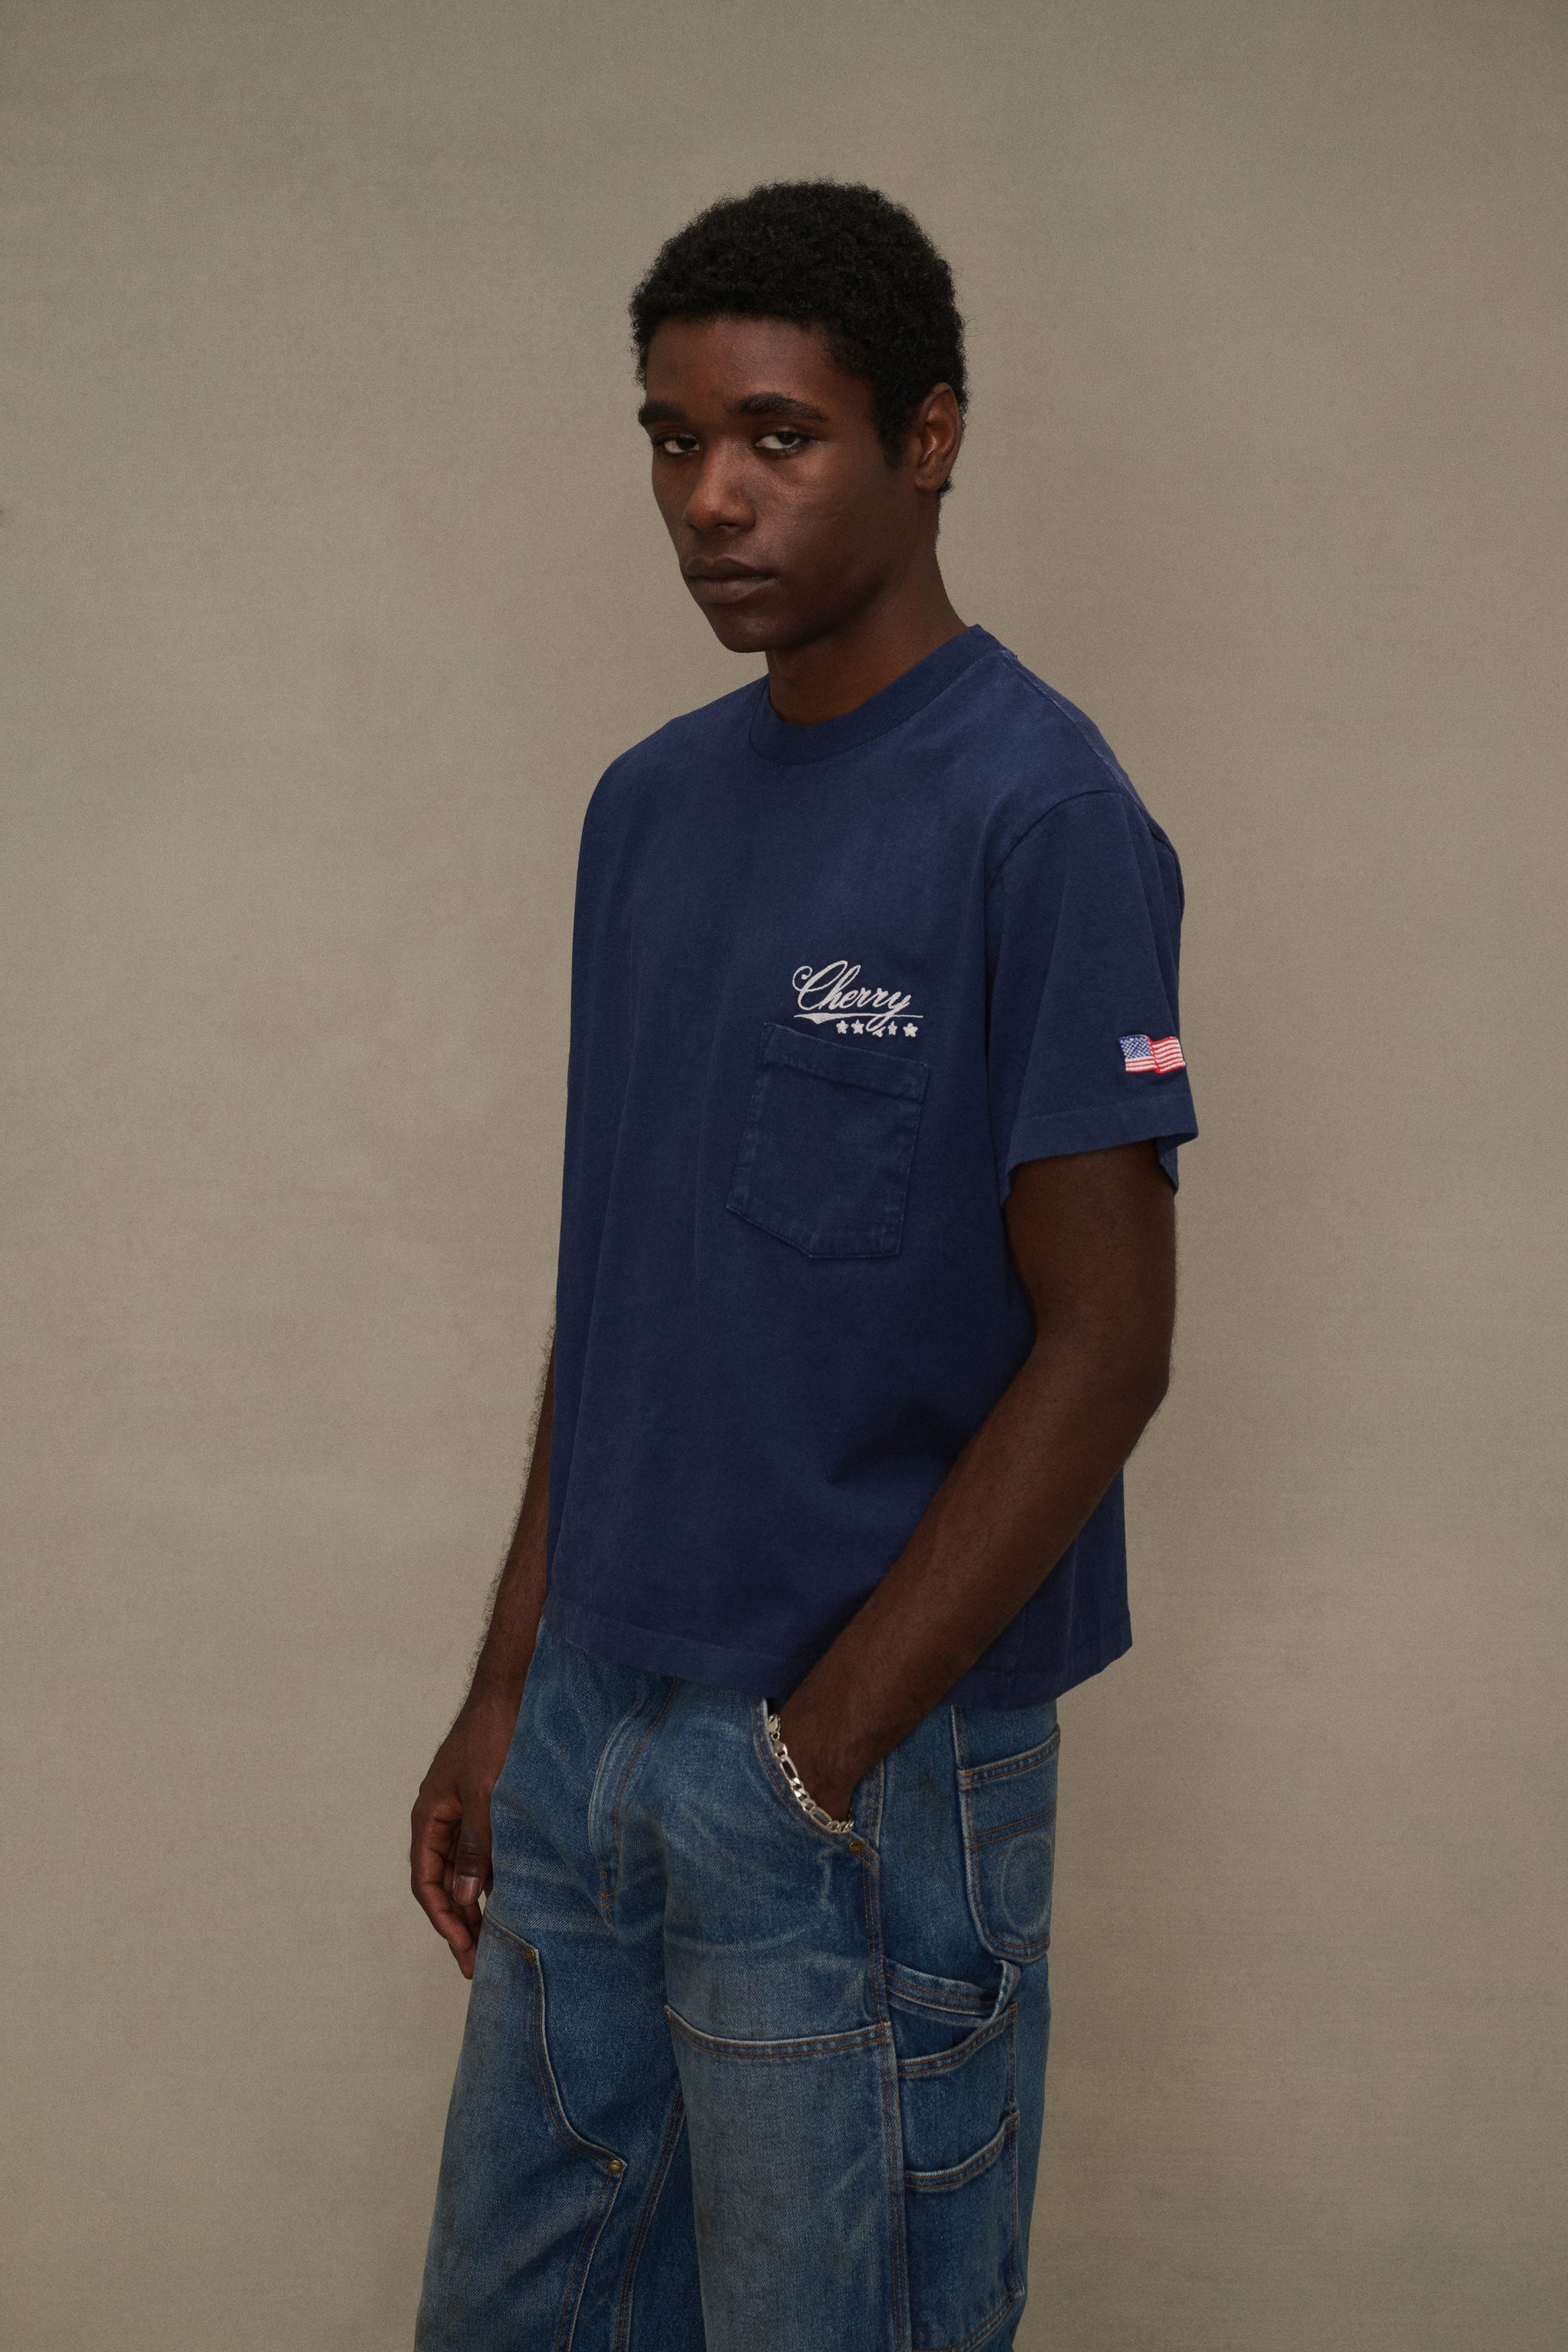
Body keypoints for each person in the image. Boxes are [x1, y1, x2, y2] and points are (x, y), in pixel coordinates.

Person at [410, 179, 1196, 2352]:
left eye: (780, 435)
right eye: (675, 440)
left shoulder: (1040, 815)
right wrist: (514, 1682)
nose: (712, 498)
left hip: (862, 1761)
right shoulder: (648, 810)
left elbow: (1110, 1344)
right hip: (596, 1716)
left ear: (928, 437)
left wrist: (811, 1761)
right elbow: (625, 1287)